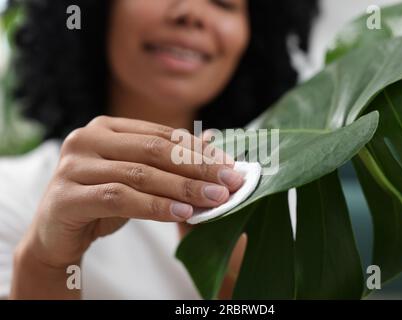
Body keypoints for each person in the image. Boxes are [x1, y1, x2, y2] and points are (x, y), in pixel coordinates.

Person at [0, 0, 318, 299]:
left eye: (223, 2)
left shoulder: (284, 195)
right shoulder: (11, 192)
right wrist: (44, 262)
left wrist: (236, 277)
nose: (191, 12)